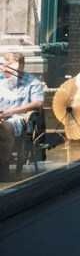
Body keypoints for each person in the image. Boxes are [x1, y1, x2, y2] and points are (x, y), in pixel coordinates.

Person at [0, 52, 45, 180]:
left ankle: (3, 168)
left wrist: (10, 112)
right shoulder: (1, 80)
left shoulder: (32, 82)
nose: (4, 69)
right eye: (3, 66)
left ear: (20, 66)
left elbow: (38, 102)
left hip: (20, 119)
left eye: (8, 66)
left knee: (4, 127)